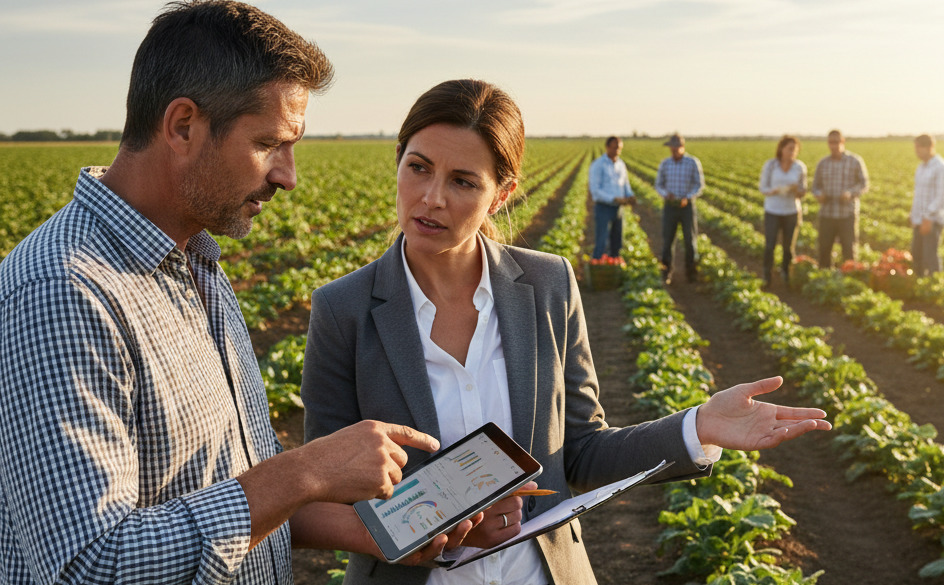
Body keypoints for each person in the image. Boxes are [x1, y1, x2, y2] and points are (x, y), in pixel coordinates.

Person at [0, 3, 476, 583]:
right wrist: (302, 473)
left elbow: (212, 488)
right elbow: (91, 566)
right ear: (182, 127)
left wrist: (369, 529)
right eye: (269, 144)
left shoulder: (195, 261)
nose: (287, 176)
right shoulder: (61, 293)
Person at [301, 79, 832, 585]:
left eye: (463, 181)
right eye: (418, 168)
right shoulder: (342, 309)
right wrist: (439, 528)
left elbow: (579, 452)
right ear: (399, 162)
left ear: (502, 193)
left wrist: (699, 427)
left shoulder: (548, 284)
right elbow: (324, 494)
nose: (431, 197)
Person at [811, 129, 869, 268]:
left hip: (847, 214)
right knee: (824, 249)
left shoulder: (855, 161)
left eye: (837, 142)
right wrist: (819, 194)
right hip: (827, 213)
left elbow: (864, 184)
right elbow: (815, 186)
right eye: (831, 142)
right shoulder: (823, 163)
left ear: (843, 142)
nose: (834, 145)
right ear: (828, 144)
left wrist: (850, 193)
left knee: (848, 249)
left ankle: (849, 279)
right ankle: (825, 278)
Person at [655, 133, 705, 283]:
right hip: (670, 206)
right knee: (668, 239)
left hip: (687, 206)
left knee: (690, 240)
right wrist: (666, 194)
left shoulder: (692, 162)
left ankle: (691, 271)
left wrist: (687, 197)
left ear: (683, 147)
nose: (674, 150)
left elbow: (699, 185)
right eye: (672, 148)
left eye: (677, 148)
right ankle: (666, 270)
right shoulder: (665, 164)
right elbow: (658, 184)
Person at [758, 135, 807, 286]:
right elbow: (762, 187)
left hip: (791, 211)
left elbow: (803, 191)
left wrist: (796, 190)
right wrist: (774, 190)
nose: (792, 152)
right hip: (773, 210)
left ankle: (786, 273)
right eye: (789, 149)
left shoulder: (799, 167)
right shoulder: (771, 165)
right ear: (781, 149)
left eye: (795, 149)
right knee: (770, 244)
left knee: (788, 246)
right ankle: (767, 274)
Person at [909, 134, 944, 277]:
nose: (916, 151)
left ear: (929, 147)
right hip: (919, 219)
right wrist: (913, 215)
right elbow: (919, 195)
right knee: (916, 254)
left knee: (930, 255)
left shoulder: (942, 168)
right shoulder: (921, 167)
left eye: (918, 148)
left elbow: (942, 197)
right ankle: (919, 283)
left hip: (932, 221)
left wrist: (928, 218)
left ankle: (935, 286)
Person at [588, 136, 634, 264]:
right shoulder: (598, 165)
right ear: (607, 147)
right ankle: (597, 266)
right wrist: (614, 198)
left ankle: (613, 266)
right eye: (614, 148)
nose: (616, 151)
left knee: (616, 241)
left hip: (618, 209)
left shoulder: (621, 164)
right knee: (601, 240)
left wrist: (630, 196)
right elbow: (595, 191)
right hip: (603, 207)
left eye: (619, 148)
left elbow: (625, 185)